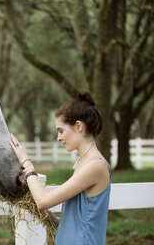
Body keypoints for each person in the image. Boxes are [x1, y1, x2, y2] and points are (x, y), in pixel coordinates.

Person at [10, 90, 111, 245]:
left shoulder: (95, 166)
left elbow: (43, 201)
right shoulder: (83, 162)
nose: (59, 138)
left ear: (78, 126)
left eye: (61, 131)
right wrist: (50, 218)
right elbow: (80, 222)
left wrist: (26, 163)